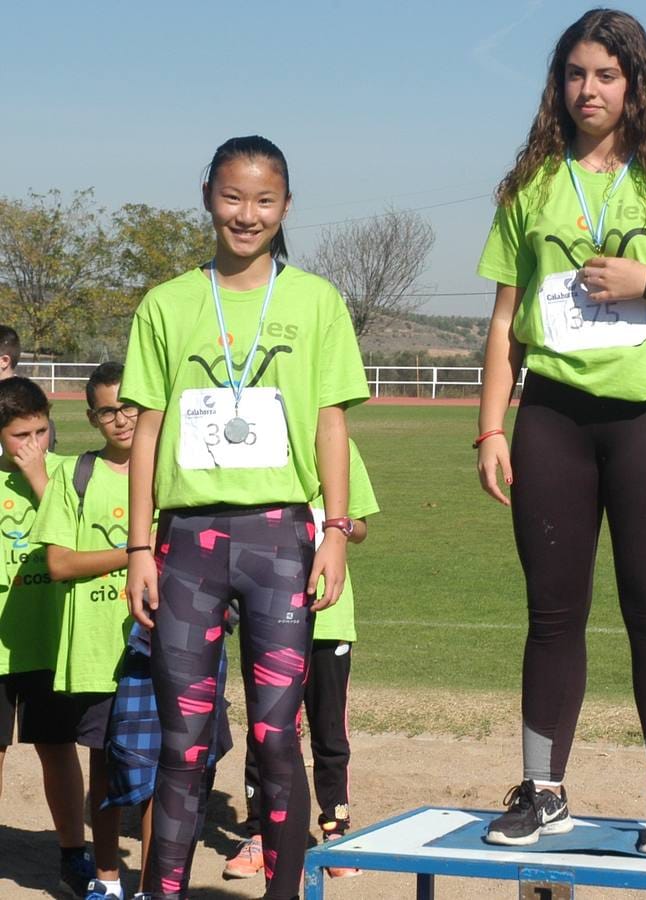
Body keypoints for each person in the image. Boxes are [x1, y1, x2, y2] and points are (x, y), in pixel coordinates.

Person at [475, 8, 646, 857]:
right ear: (558, 85)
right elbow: (504, 322)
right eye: (575, 74)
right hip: (551, 417)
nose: (588, 90)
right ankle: (543, 790)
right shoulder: (529, 188)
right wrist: (490, 427)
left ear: (636, 86)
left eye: (606, 75)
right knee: (551, 614)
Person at [121, 135, 369, 900]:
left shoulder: (316, 300)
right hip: (188, 546)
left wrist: (334, 531)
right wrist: (137, 547)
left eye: (264, 200)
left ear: (286, 206)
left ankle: (284, 893)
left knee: (276, 738)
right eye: (232, 197)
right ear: (207, 197)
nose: (247, 214)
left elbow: (332, 422)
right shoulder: (166, 303)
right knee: (184, 745)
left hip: (280, 540)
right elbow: (148, 432)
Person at [225, 439, 379, 882]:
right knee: (267, 729)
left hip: (329, 619)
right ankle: (259, 834)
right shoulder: (262, 439)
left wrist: (336, 525)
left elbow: (363, 527)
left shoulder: (343, 446)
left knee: (329, 731)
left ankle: (335, 831)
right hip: (267, 613)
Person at [31, 362, 140, 900]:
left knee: (167, 772)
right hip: (98, 650)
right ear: (92, 417)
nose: (120, 419)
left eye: (129, 406)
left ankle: (161, 881)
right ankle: (109, 879)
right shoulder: (75, 475)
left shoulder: (174, 472)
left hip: (163, 647)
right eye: (107, 410)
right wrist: (135, 552)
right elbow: (59, 564)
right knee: (105, 772)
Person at [0, 376, 95, 894]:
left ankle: (71, 853)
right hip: (0, 647)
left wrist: (39, 478)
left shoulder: (65, 474)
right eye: (20, 436)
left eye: (41, 431)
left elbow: (80, 544)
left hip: (52, 645)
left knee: (57, 749)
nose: (34, 444)